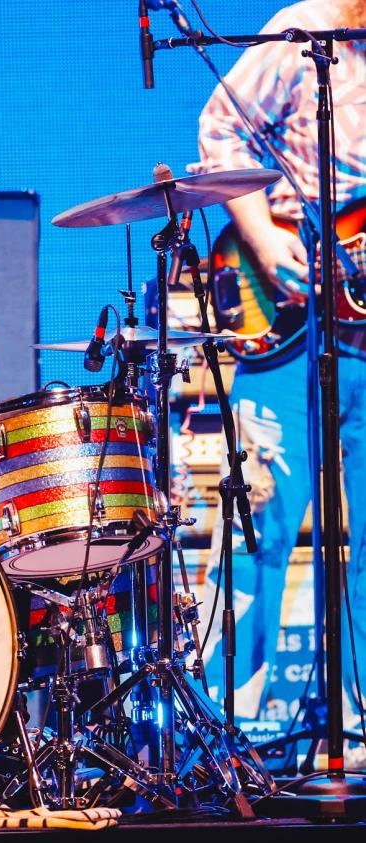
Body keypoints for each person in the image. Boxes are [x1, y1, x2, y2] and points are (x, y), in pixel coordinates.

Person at [191, 0, 366, 723]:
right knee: (256, 523)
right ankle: (227, 724)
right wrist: (262, 237)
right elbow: (219, 125)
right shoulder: (313, 27)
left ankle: (357, 723)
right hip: (284, 315)